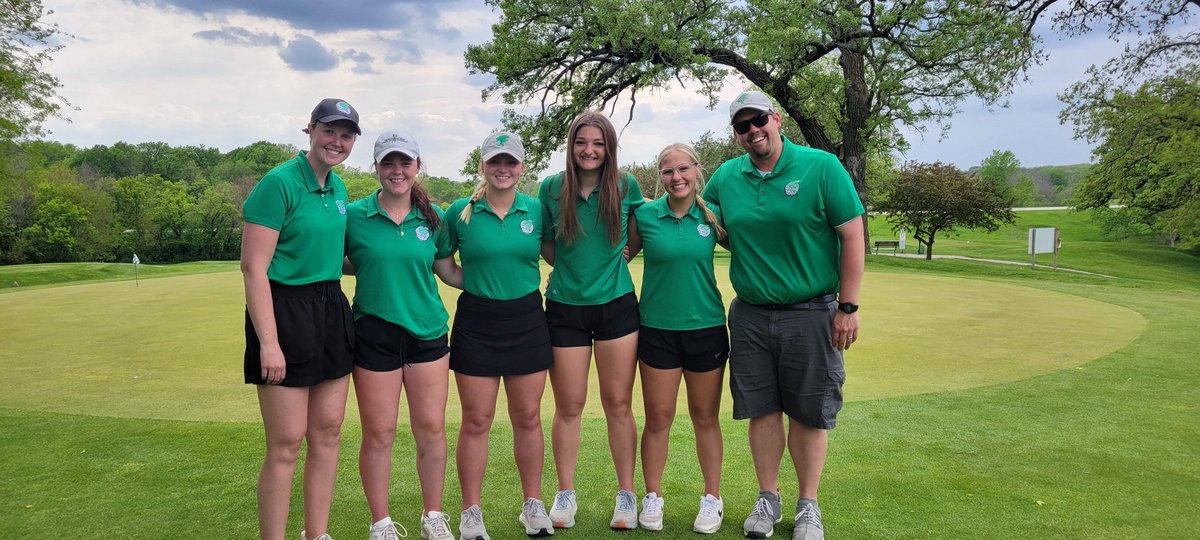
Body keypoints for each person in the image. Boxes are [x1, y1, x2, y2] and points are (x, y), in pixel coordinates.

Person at [702, 91, 864, 540]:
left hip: (812, 311)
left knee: (809, 412)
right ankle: (767, 498)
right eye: (742, 126)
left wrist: (847, 307)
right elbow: (698, 216)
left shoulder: (820, 166)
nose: (753, 130)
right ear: (736, 136)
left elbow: (852, 236)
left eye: (758, 120)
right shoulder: (726, 177)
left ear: (776, 119)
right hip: (750, 314)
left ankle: (808, 504)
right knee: (762, 409)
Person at [241, 98, 361, 540]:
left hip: (330, 307)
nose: (337, 141)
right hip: (284, 310)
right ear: (309, 129)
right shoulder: (278, 184)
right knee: (287, 441)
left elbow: (336, 257)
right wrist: (268, 342)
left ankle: (318, 533)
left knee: (328, 432)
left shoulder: (339, 188)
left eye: (346, 135)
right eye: (330, 131)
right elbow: (254, 269)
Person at [344, 130, 463, 540]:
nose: (397, 171)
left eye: (404, 162)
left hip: (427, 332)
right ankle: (380, 523)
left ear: (417, 166)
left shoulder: (435, 217)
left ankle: (433, 516)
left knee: (430, 428)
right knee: (379, 433)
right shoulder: (355, 215)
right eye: (388, 163)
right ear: (376, 167)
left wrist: (502, 279)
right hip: (374, 332)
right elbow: (339, 260)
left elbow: (447, 271)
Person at [444, 131, 556, 539]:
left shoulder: (538, 210)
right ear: (483, 166)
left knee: (527, 417)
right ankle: (471, 511)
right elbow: (442, 261)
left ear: (522, 167)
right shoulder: (461, 211)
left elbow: (557, 254)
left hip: (527, 318)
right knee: (477, 419)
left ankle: (533, 505)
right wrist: (474, 284)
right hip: (477, 319)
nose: (503, 169)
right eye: (495, 162)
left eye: (510, 162)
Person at [538, 112, 645, 530]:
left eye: (598, 143)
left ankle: (627, 495)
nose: (589, 150)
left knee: (618, 403)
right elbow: (548, 244)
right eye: (582, 142)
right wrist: (570, 271)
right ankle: (565, 495)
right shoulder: (552, 188)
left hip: (617, 305)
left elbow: (636, 232)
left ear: (609, 148)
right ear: (571, 145)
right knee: (569, 406)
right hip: (565, 308)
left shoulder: (625, 184)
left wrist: (622, 258)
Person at [625, 143, 729, 534]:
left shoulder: (713, 216)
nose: (676, 177)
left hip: (706, 328)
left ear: (697, 170)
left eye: (683, 169)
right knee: (658, 418)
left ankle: (712, 498)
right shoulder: (647, 215)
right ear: (660, 176)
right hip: (657, 330)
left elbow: (754, 247)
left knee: (706, 418)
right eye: (668, 171)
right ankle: (652, 496)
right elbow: (617, 256)